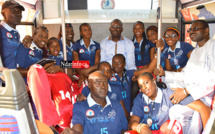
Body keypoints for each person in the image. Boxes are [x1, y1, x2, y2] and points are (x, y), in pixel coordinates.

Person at [154, 20, 215, 130]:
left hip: (202, 94)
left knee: (176, 109)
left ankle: (201, 110)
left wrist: (186, 91)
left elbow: (212, 80)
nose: (192, 32)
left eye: (196, 29)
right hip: (190, 90)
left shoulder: (212, 46)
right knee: (168, 88)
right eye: (190, 30)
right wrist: (164, 73)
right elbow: (185, 74)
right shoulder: (196, 51)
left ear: (206, 30)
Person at [129, 72, 211, 133]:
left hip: (166, 131)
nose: (144, 88)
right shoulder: (139, 99)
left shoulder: (169, 94)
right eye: (141, 86)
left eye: (146, 83)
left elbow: (203, 108)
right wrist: (142, 127)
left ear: (154, 81)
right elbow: (132, 122)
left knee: (171, 126)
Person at [61, 71, 128, 134]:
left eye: (105, 83)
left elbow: (124, 129)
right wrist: (71, 132)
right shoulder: (80, 107)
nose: (103, 86)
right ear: (89, 85)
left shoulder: (117, 105)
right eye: (98, 83)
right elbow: (77, 130)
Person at [0, 0, 25, 69]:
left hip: (13, 76)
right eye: (14, 11)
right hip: (3, 77)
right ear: (3, 14)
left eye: (19, 12)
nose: (18, 14)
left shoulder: (16, 34)